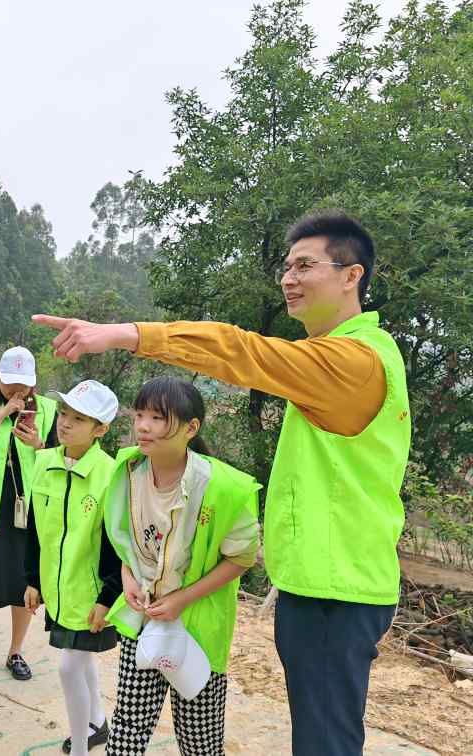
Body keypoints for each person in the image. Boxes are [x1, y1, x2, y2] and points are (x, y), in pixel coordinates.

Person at [35, 209, 411, 756]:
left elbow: (240, 351)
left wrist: (125, 335)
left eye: (305, 266)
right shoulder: (349, 357)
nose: (289, 278)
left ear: (351, 275)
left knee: (324, 742)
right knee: (321, 734)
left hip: (335, 592)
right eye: (287, 266)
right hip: (327, 584)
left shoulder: (353, 362)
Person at [100, 377, 259, 755]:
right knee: (126, 731)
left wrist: (182, 600)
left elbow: (242, 557)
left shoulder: (223, 487)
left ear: (191, 428)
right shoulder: (127, 471)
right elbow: (123, 539)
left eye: (157, 418)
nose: (143, 426)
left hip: (198, 628)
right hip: (143, 620)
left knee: (199, 740)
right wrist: (127, 577)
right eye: (139, 415)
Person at [23, 380, 122, 755]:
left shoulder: (111, 474)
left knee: (68, 668)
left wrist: (107, 597)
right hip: (57, 587)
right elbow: (34, 528)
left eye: (78, 419)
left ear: (101, 429)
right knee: (80, 660)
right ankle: (97, 723)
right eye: (64, 413)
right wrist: (33, 580)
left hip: (89, 593)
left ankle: (81, 747)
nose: (65, 423)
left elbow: (115, 545)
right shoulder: (44, 461)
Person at [0, 346, 58, 681]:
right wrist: (3, 412)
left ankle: (15, 652)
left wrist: (38, 444)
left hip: (30, 511)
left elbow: (61, 455)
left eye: (23, 383)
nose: (17, 389)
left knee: (24, 582)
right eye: (10, 383)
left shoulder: (48, 409)